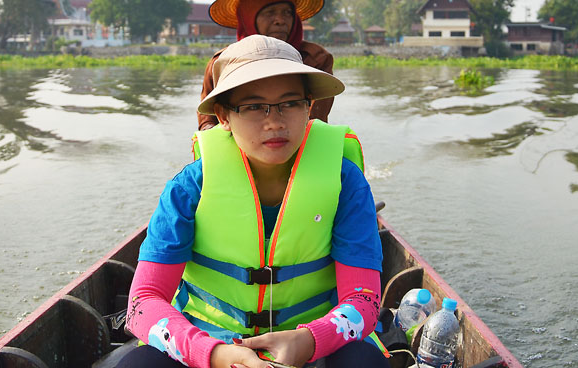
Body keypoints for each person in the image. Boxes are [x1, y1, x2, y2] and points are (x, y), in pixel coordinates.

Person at [120, 35, 389, 368]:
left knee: (364, 361)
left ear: (309, 107)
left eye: (290, 103)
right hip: (212, 341)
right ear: (223, 116)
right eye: (252, 106)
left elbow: (363, 300)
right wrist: (214, 354)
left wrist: (309, 340)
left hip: (310, 344)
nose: (274, 121)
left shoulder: (345, 183)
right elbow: (142, 303)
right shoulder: (188, 188)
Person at [198, 0, 334, 131]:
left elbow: (314, 120)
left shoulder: (315, 60)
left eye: (287, 13)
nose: (280, 21)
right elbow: (207, 120)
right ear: (248, 18)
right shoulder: (221, 63)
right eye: (269, 13)